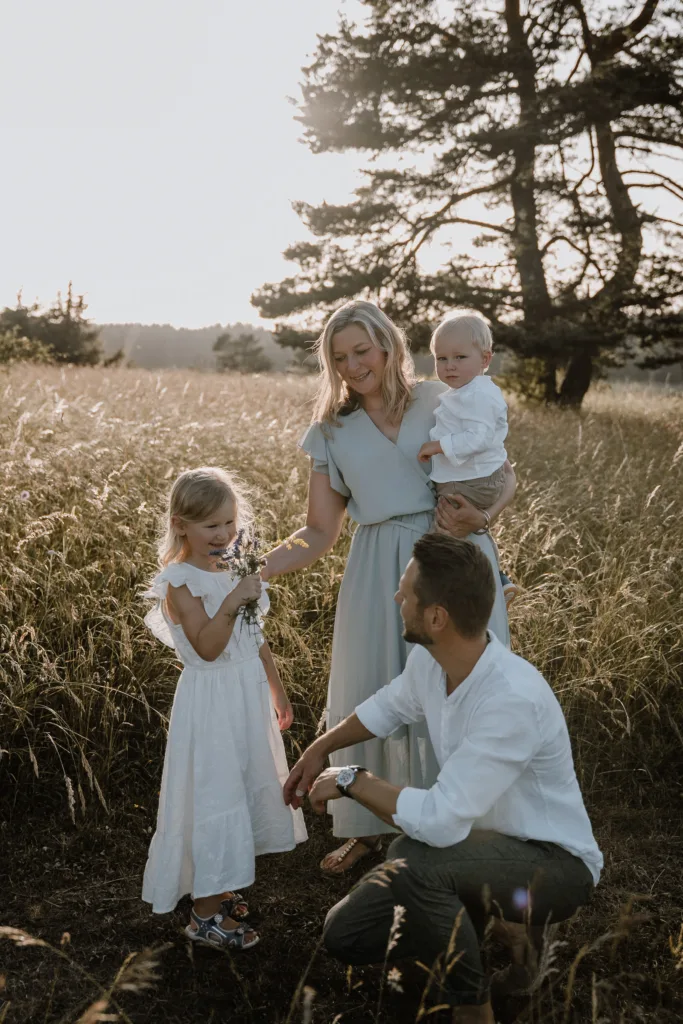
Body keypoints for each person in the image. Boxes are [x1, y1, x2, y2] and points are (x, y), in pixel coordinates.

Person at [284, 534, 602, 1023]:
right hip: (476, 847)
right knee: (345, 933)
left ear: (436, 617)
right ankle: (479, 928)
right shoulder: (432, 661)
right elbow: (387, 707)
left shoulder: (510, 698)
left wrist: (351, 778)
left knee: (414, 858)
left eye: (405, 592)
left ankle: (475, 1009)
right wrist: (320, 746)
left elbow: (438, 823)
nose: (396, 599)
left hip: (552, 862)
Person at [261, 300, 517, 876]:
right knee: (376, 688)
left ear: (389, 346)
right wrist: (258, 568)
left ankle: (472, 823)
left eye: (362, 351)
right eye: (340, 357)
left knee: (462, 691)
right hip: (378, 569)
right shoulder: (330, 430)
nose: (353, 365)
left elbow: (504, 469)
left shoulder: (441, 396)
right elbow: (319, 530)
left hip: (453, 554)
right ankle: (371, 830)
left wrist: (487, 519)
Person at [142, 467, 307, 949]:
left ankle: (220, 880)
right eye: (211, 526)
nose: (224, 535)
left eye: (230, 523)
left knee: (238, 783)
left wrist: (276, 690)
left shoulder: (233, 568)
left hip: (245, 695)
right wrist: (235, 599)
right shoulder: (179, 583)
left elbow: (254, 639)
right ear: (181, 526)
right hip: (211, 702)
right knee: (214, 794)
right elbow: (210, 647)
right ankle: (205, 915)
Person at [417, 312, 517, 604]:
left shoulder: (478, 395)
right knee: (460, 536)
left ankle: (439, 590)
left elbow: (480, 438)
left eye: (460, 357)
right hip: (469, 478)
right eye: (441, 358)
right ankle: (497, 580)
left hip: (472, 480)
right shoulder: (464, 391)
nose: (449, 366)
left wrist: (437, 446)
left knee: (442, 537)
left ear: (485, 360)